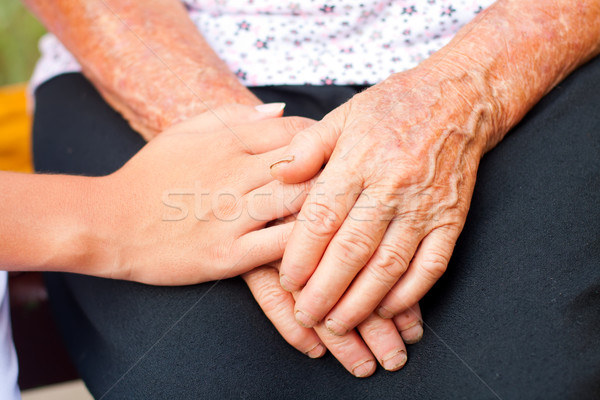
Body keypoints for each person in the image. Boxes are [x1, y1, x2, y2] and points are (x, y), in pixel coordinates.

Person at [11, 0, 600, 398]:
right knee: (204, 381)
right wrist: (242, 157)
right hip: (169, 54)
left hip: (522, 47)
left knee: (538, 373)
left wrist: (470, 87)